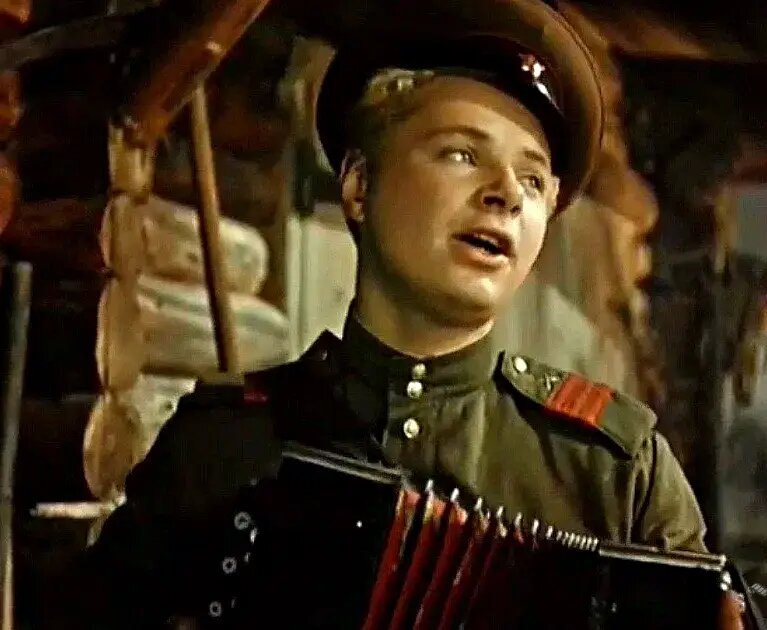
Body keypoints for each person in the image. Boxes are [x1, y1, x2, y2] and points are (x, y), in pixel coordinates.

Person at [52, 12, 729, 630]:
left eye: (532, 181)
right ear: (358, 186)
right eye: (462, 154)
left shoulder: (614, 471)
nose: (505, 195)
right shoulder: (222, 449)